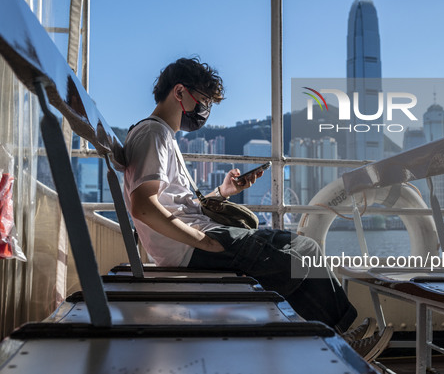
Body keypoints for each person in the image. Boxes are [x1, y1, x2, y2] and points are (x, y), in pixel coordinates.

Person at [123, 57, 392, 360]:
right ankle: (335, 344)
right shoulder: (153, 134)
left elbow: (177, 203)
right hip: (190, 246)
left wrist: (224, 192)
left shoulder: (162, 137)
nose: (204, 110)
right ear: (180, 92)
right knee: (300, 253)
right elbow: (143, 207)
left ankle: (335, 337)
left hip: (197, 236)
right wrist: (202, 240)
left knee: (301, 248)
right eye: (203, 100)